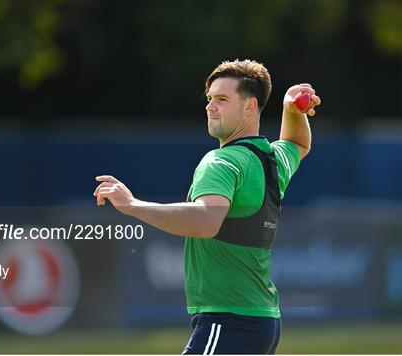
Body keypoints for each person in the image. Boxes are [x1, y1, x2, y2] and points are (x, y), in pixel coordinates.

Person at [93, 59, 321, 354]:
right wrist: (292, 111)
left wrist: (134, 205)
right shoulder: (273, 161)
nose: (210, 106)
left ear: (250, 106)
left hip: (229, 320)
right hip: (262, 320)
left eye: (222, 99)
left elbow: (206, 221)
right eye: (210, 99)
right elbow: (297, 143)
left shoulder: (222, 161)